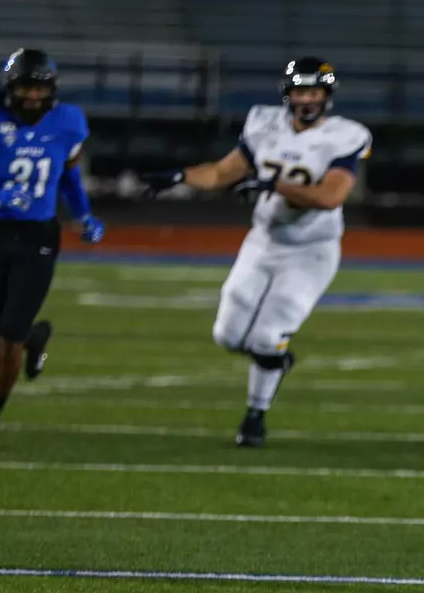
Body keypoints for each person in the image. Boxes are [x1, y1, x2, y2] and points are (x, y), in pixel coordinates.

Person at [144, 57, 371, 447]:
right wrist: (181, 176)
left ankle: (255, 416)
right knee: (228, 337)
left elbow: (331, 196)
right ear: (288, 93)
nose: (308, 99)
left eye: (315, 91)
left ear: (327, 96)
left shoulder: (345, 135)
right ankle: (277, 362)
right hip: (263, 241)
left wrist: (273, 184)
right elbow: (220, 173)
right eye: (301, 90)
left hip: (311, 251)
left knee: (266, 337)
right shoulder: (264, 125)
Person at [0, 49, 105, 449]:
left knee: (8, 336)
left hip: (39, 238)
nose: (33, 97)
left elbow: (69, 178)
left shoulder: (68, 123)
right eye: (26, 88)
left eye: (40, 88)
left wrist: (84, 215)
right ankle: (35, 338)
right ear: (10, 89)